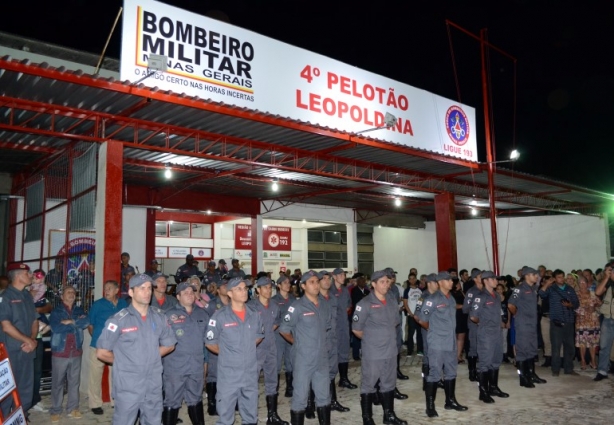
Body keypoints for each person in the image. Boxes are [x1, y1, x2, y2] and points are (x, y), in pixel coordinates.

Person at [96, 274, 177, 425]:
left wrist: (149, 357)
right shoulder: (119, 320)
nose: (147, 292)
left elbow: (169, 344)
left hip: (153, 382)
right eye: (142, 288)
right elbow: (102, 352)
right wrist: (126, 361)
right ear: (131, 292)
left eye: (149, 288)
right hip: (128, 384)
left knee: (153, 421)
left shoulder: (159, 317)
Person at [205, 277, 264, 425]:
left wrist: (245, 350)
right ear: (230, 293)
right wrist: (229, 354)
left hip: (250, 372)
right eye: (239, 289)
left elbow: (258, 336)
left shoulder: (254, 314)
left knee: (251, 416)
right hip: (229, 374)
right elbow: (210, 343)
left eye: (245, 288)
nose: (244, 291)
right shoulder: (219, 316)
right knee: (225, 417)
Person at [352, 270, 407, 425]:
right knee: (369, 385)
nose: (386, 284)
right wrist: (372, 340)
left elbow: (395, 322)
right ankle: (367, 418)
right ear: (374, 284)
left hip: (390, 351)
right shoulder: (364, 304)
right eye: (382, 282)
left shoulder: (391, 301)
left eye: (387, 281)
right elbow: (356, 329)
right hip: (373, 353)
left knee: (389, 383)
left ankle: (388, 415)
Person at [279, 270, 332, 425]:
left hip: (321, 357)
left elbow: (326, 327)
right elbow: (284, 329)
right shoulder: (296, 307)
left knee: (324, 396)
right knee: (300, 397)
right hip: (303, 358)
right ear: (303, 286)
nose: (316, 285)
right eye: (312, 282)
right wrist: (297, 343)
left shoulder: (324, 305)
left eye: (317, 281)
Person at [416, 271, 468, 418]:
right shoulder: (432, 299)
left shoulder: (450, 298)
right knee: (434, 373)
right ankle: (430, 406)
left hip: (450, 342)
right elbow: (422, 319)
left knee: (451, 371)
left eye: (451, 280)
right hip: (437, 342)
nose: (451, 282)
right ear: (440, 283)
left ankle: (450, 401)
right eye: (448, 280)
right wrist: (433, 331)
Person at [163, 281, 209, 425]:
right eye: (185, 293)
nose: (190, 295)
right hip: (175, 367)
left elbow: (207, 341)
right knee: (172, 400)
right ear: (178, 296)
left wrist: (205, 363)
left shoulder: (202, 314)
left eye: (192, 292)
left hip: (196, 366)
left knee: (196, 399)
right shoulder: (169, 315)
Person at [248, 276, 288, 425]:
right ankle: (251, 417)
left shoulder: (275, 306)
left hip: (271, 348)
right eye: (265, 287)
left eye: (270, 287)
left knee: (272, 382)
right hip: (256, 350)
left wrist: (267, 333)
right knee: (251, 383)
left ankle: (272, 416)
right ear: (258, 290)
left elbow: (277, 321)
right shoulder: (251, 307)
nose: (268, 290)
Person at [0, 263, 38, 418]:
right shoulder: (5, 297)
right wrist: (27, 340)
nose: (30, 275)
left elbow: (34, 321)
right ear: (17, 276)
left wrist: (33, 340)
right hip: (11, 352)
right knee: (7, 391)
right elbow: (6, 326)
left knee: (25, 389)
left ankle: (21, 417)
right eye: (27, 273)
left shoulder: (27, 296)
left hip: (27, 350)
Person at [48, 285, 89, 422]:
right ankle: (55, 410)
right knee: (57, 383)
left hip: (76, 351)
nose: (71, 294)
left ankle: (73, 408)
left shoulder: (78, 310)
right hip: (60, 352)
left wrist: (71, 321)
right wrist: (75, 324)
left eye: (73, 292)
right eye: (68, 292)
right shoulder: (56, 311)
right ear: (62, 296)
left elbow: (86, 322)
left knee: (74, 382)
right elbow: (56, 327)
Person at [87, 280, 127, 415]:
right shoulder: (98, 304)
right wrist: (98, 339)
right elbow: (90, 325)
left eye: (110, 288)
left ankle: (115, 401)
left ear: (117, 290)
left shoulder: (123, 304)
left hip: (117, 347)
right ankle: (95, 404)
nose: (107, 290)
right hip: (98, 346)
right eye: (105, 288)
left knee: (116, 375)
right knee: (95, 376)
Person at [469, 271, 509, 403]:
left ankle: (493, 387)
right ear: (486, 281)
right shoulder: (480, 297)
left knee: (496, 360)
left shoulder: (496, 295)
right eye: (493, 279)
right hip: (486, 333)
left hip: (497, 331)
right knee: (485, 363)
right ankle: (483, 392)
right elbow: (473, 316)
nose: (496, 281)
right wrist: (484, 324)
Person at [316, 270, 349, 416]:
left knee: (331, 372)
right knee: (317, 373)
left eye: (328, 278)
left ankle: (332, 401)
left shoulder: (333, 299)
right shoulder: (315, 300)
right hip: (320, 341)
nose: (327, 281)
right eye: (323, 279)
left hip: (333, 339)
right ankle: (313, 403)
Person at [508, 266, 546, 387]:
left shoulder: (533, 288)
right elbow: (510, 304)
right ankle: (523, 378)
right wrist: (517, 315)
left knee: (531, 349)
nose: (536, 277)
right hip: (523, 324)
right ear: (527, 276)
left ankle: (531, 374)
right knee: (522, 351)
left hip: (532, 324)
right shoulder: (519, 289)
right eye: (534, 274)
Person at [539, 269, 580, 376]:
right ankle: (555, 369)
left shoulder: (569, 288)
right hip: (556, 322)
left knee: (569, 346)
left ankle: (568, 368)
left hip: (569, 321)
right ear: (555, 278)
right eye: (559, 277)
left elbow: (576, 303)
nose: (562, 279)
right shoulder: (552, 289)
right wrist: (547, 283)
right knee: (556, 347)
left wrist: (570, 305)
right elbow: (541, 294)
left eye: (563, 276)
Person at [30, 269, 52, 413]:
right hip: (23, 337)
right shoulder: (25, 292)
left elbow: (49, 306)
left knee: (37, 371)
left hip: (37, 336)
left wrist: (38, 310)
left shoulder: (44, 291)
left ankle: (34, 399)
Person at [331, 268, 356, 390]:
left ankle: (344, 379)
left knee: (344, 351)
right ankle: (329, 380)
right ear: (334, 276)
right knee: (331, 353)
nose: (343, 276)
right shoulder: (328, 290)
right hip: (332, 327)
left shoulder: (345, 291)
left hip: (343, 325)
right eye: (340, 274)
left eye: (344, 274)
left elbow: (348, 306)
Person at [272, 274, 296, 398]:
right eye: (285, 283)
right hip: (278, 335)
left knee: (290, 361)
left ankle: (290, 387)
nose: (288, 285)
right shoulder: (274, 300)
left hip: (290, 334)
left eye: (289, 283)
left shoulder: (293, 299)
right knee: (276, 361)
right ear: (279, 286)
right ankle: (274, 389)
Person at [413, 274, 439, 391]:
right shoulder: (423, 297)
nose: (438, 284)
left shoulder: (439, 296)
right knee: (428, 355)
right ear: (429, 283)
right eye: (435, 282)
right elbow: (416, 315)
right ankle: (427, 382)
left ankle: (436, 379)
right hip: (428, 330)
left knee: (438, 355)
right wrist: (427, 327)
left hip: (439, 331)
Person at [383, 267, 408, 381]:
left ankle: (396, 370)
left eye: (394, 276)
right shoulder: (383, 289)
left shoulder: (395, 289)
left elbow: (397, 303)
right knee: (388, 350)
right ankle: (389, 374)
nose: (393, 278)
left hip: (397, 322)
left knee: (397, 347)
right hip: (387, 325)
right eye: (391, 276)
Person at [575, 275, 601, 370]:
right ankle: (583, 360)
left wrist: (594, 307)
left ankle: (593, 360)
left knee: (593, 343)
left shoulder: (593, 293)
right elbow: (573, 307)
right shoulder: (575, 294)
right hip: (581, 321)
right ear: (578, 284)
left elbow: (600, 304)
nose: (582, 284)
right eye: (580, 282)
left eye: (584, 282)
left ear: (587, 283)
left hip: (593, 322)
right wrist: (585, 310)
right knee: (582, 343)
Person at [462, 269, 484, 381]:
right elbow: (465, 309)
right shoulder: (471, 292)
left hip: (486, 324)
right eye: (481, 276)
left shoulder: (487, 290)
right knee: (474, 347)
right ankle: (472, 372)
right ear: (475, 279)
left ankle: (483, 371)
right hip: (474, 323)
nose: (483, 278)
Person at [594, 264, 614, 381]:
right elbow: (598, 292)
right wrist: (606, 278)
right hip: (607, 319)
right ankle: (602, 371)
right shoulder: (608, 284)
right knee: (604, 347)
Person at [402, 273, 422, 356]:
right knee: (410, 334)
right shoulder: (407, 290)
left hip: (420, 316)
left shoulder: (420, 290)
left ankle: (420, 350)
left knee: (420, 333)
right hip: (411, 316)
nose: (412, 280)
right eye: (410, 278)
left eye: (413, 278)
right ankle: (410, 351)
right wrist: (411, 314)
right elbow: (405, 304)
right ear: (408, 280)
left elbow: (421, 301)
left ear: (416, 279)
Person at [351, 275, 369, 360]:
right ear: (358, 282)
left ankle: (364, 352)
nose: (363, 283)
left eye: (364, 281)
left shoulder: (367, 291)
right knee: (356, 336)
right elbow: (356, 302)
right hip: (358, 315)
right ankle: (355, 355)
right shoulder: (354, 291)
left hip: (367, 317)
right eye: (361, 281)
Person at [451, 278, 467, 364]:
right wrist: (464, 306)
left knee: (461, 336)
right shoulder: (450, 294)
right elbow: (453, 305)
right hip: (454, 316)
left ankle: (458, 356)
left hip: (462, 316)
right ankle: (453, 356)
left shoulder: (462, 292)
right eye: (458, 284)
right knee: (454, 337)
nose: (460, 285)